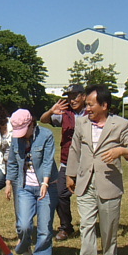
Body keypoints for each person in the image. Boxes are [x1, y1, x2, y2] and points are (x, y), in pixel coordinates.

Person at [66, 84, 128, 255]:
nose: (87, 108)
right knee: (86, 225)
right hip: (85, 183)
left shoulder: (121, 125)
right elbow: (74, 149)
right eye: (86, 104)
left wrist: (121, 151)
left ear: (104, 105)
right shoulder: (82, 123)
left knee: (108, 229)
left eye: (91, 105)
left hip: (108, 183)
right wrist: (70, 174)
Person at [5, 109, 58, 255]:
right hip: (25, 187)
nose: (20, 135)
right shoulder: (16, 139)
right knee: (23, 225)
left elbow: (48, 161)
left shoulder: (46, 135)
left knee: (44, 228)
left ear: (31, 124)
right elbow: (12, 162)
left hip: (47, 186)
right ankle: (25, 244)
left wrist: (45, 182)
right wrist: (8, 182)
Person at [40, 84, 86, 241]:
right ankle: (66, 227)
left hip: (88, 162)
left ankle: (90, 226)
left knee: (91, 195)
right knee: (60, 194)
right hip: (67, 161)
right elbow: (43, 120)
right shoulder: (65, 113)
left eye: (75, 96)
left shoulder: (91, 112)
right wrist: (51, 111)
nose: (72, 100)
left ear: (84, 96)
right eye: (70, 97)